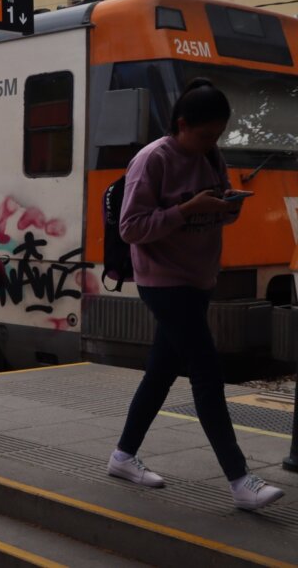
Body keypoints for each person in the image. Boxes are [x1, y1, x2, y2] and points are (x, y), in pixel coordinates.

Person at [108, 79, 285, 511]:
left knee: (161, 372)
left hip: (200, 276)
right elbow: (130, 227)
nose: (212, 144)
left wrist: (228, 205)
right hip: (164, 282)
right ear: (181, 125)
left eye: (218, 136)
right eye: (205, 135)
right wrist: (188, 209)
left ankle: (122, 456)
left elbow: (215, 210)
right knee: (206, 373)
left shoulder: (210, 155)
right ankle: (240, 479)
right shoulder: (152, 160)